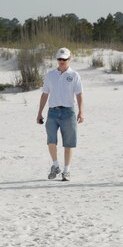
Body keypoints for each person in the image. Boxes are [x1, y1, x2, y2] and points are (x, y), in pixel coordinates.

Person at [36, 47, 84, 181]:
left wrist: (81, 111)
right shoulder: (50, 75)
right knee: (51, 140)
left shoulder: (74, 75)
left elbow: (79, 95)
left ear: (69, 59)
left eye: (64, 59)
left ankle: (66, 170)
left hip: (68, 112)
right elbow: (45, 94)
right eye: (59, 59)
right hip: (52, 112)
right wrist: (39, 112)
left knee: (68, 142)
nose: (62, 61)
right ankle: (55, 165)